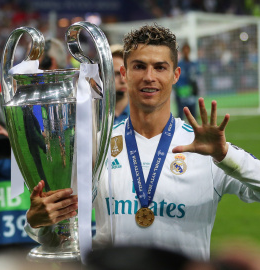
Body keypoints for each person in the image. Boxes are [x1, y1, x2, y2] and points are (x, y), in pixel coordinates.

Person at [24, 24, 260, 262]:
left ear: (175, 75)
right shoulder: (97, 147)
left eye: (160, 67)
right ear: (124, 74)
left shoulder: (206, 150)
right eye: (139, 66)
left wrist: (226, 155)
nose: (149, 77)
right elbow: (58, 234)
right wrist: (38, 222)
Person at [174, 43, 200, 120]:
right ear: (182, 51)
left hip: (191, 94)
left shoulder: (193, 64)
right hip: (181, 94)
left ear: (189, 51)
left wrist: (195, 89)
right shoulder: (178, 65)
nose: (186, 51)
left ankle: (195, 132)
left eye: (187, 50)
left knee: (193, 117)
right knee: (180, 117)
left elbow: (196, 78)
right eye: (184, 50)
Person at [110, 44, 130, 125]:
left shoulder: (141, 115)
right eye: (117, 74)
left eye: (126, 73)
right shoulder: (93, 116)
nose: (123, 80)